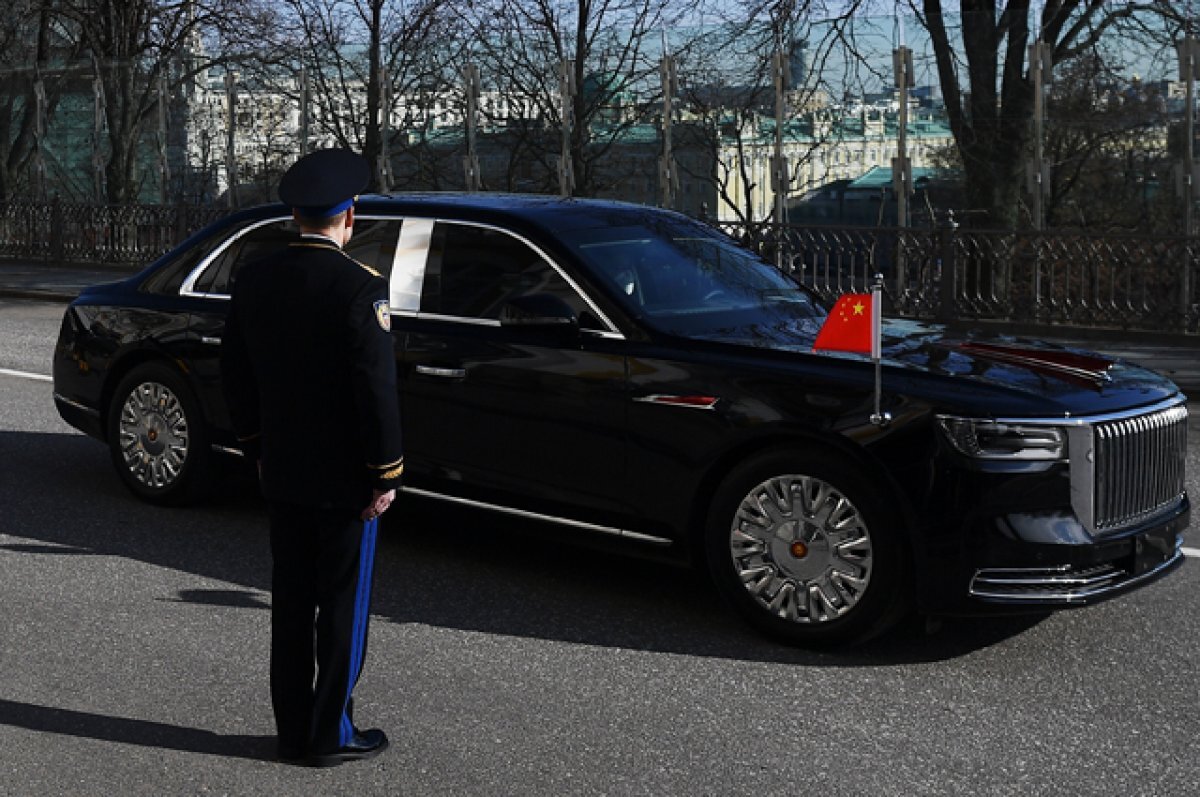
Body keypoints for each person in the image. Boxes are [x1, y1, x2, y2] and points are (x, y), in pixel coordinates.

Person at [220, 148, 403, 767]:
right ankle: (332, 735)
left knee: (292, 605)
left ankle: (293, 728)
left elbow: (236, 375)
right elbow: (375, 391)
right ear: (350, 215)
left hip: (282, 469)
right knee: (343, 607)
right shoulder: (360, 287)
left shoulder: (255, 278)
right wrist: (385, 471)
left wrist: (256, 447)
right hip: (346, 478)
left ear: (295, 214)